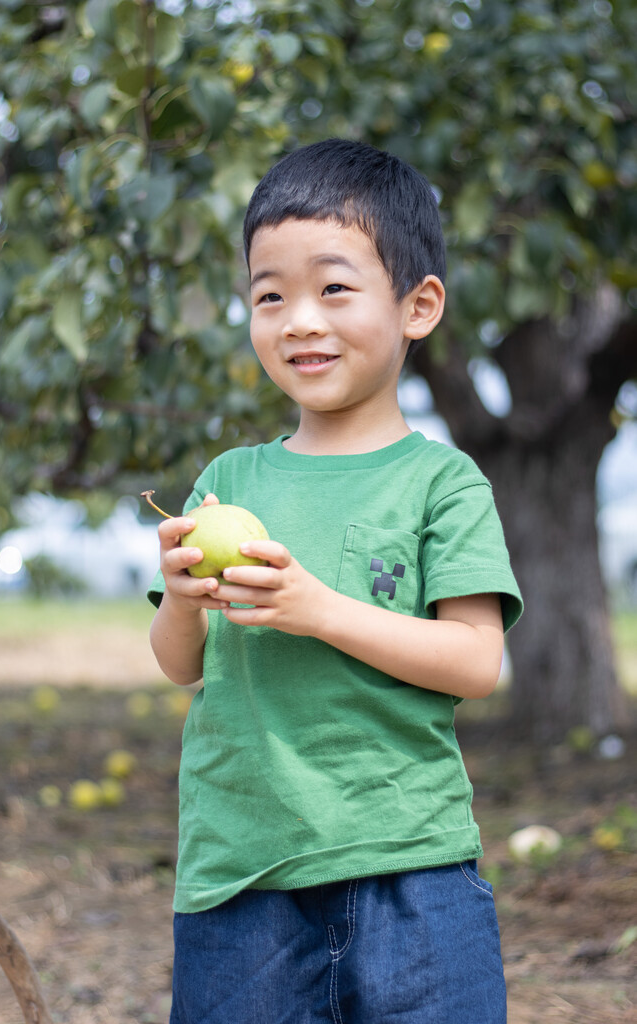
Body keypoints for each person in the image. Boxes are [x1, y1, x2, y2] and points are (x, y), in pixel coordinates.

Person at [147, 138, 523, 1024]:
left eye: (334, 289)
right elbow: (178, 664)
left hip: (409, 865)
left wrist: (319, 611)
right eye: (268, 296)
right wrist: (182, 601)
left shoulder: (442, 483)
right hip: (242, 870)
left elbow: (474, 662)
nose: (299, 321)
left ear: (417, 306)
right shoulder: (227, 484)